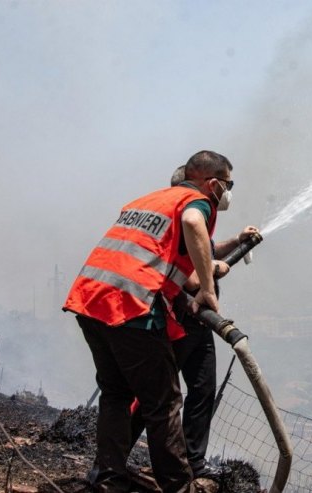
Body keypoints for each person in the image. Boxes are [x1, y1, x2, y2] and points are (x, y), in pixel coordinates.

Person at [64, 150, 234, 492]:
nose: (228, 192)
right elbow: (192, 224)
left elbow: (155, 257)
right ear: (213, 183)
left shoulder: (151, 199)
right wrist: (209, 292)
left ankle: (109, 480)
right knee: (165, 403)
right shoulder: (197, 201)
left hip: (90, 298)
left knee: (115, 393)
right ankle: (178, 486)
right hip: (129, 306)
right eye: (228, 185)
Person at [129, 164, 259, 481]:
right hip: (175, 320)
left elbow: (208, 249)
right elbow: (187, 277)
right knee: (158, 396)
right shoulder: (180, 220)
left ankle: (193, 461)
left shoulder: (196, 225)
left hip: (199, 324)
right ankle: (120, 455)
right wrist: (212, 273)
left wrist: (238, 240)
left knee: (202, 390)